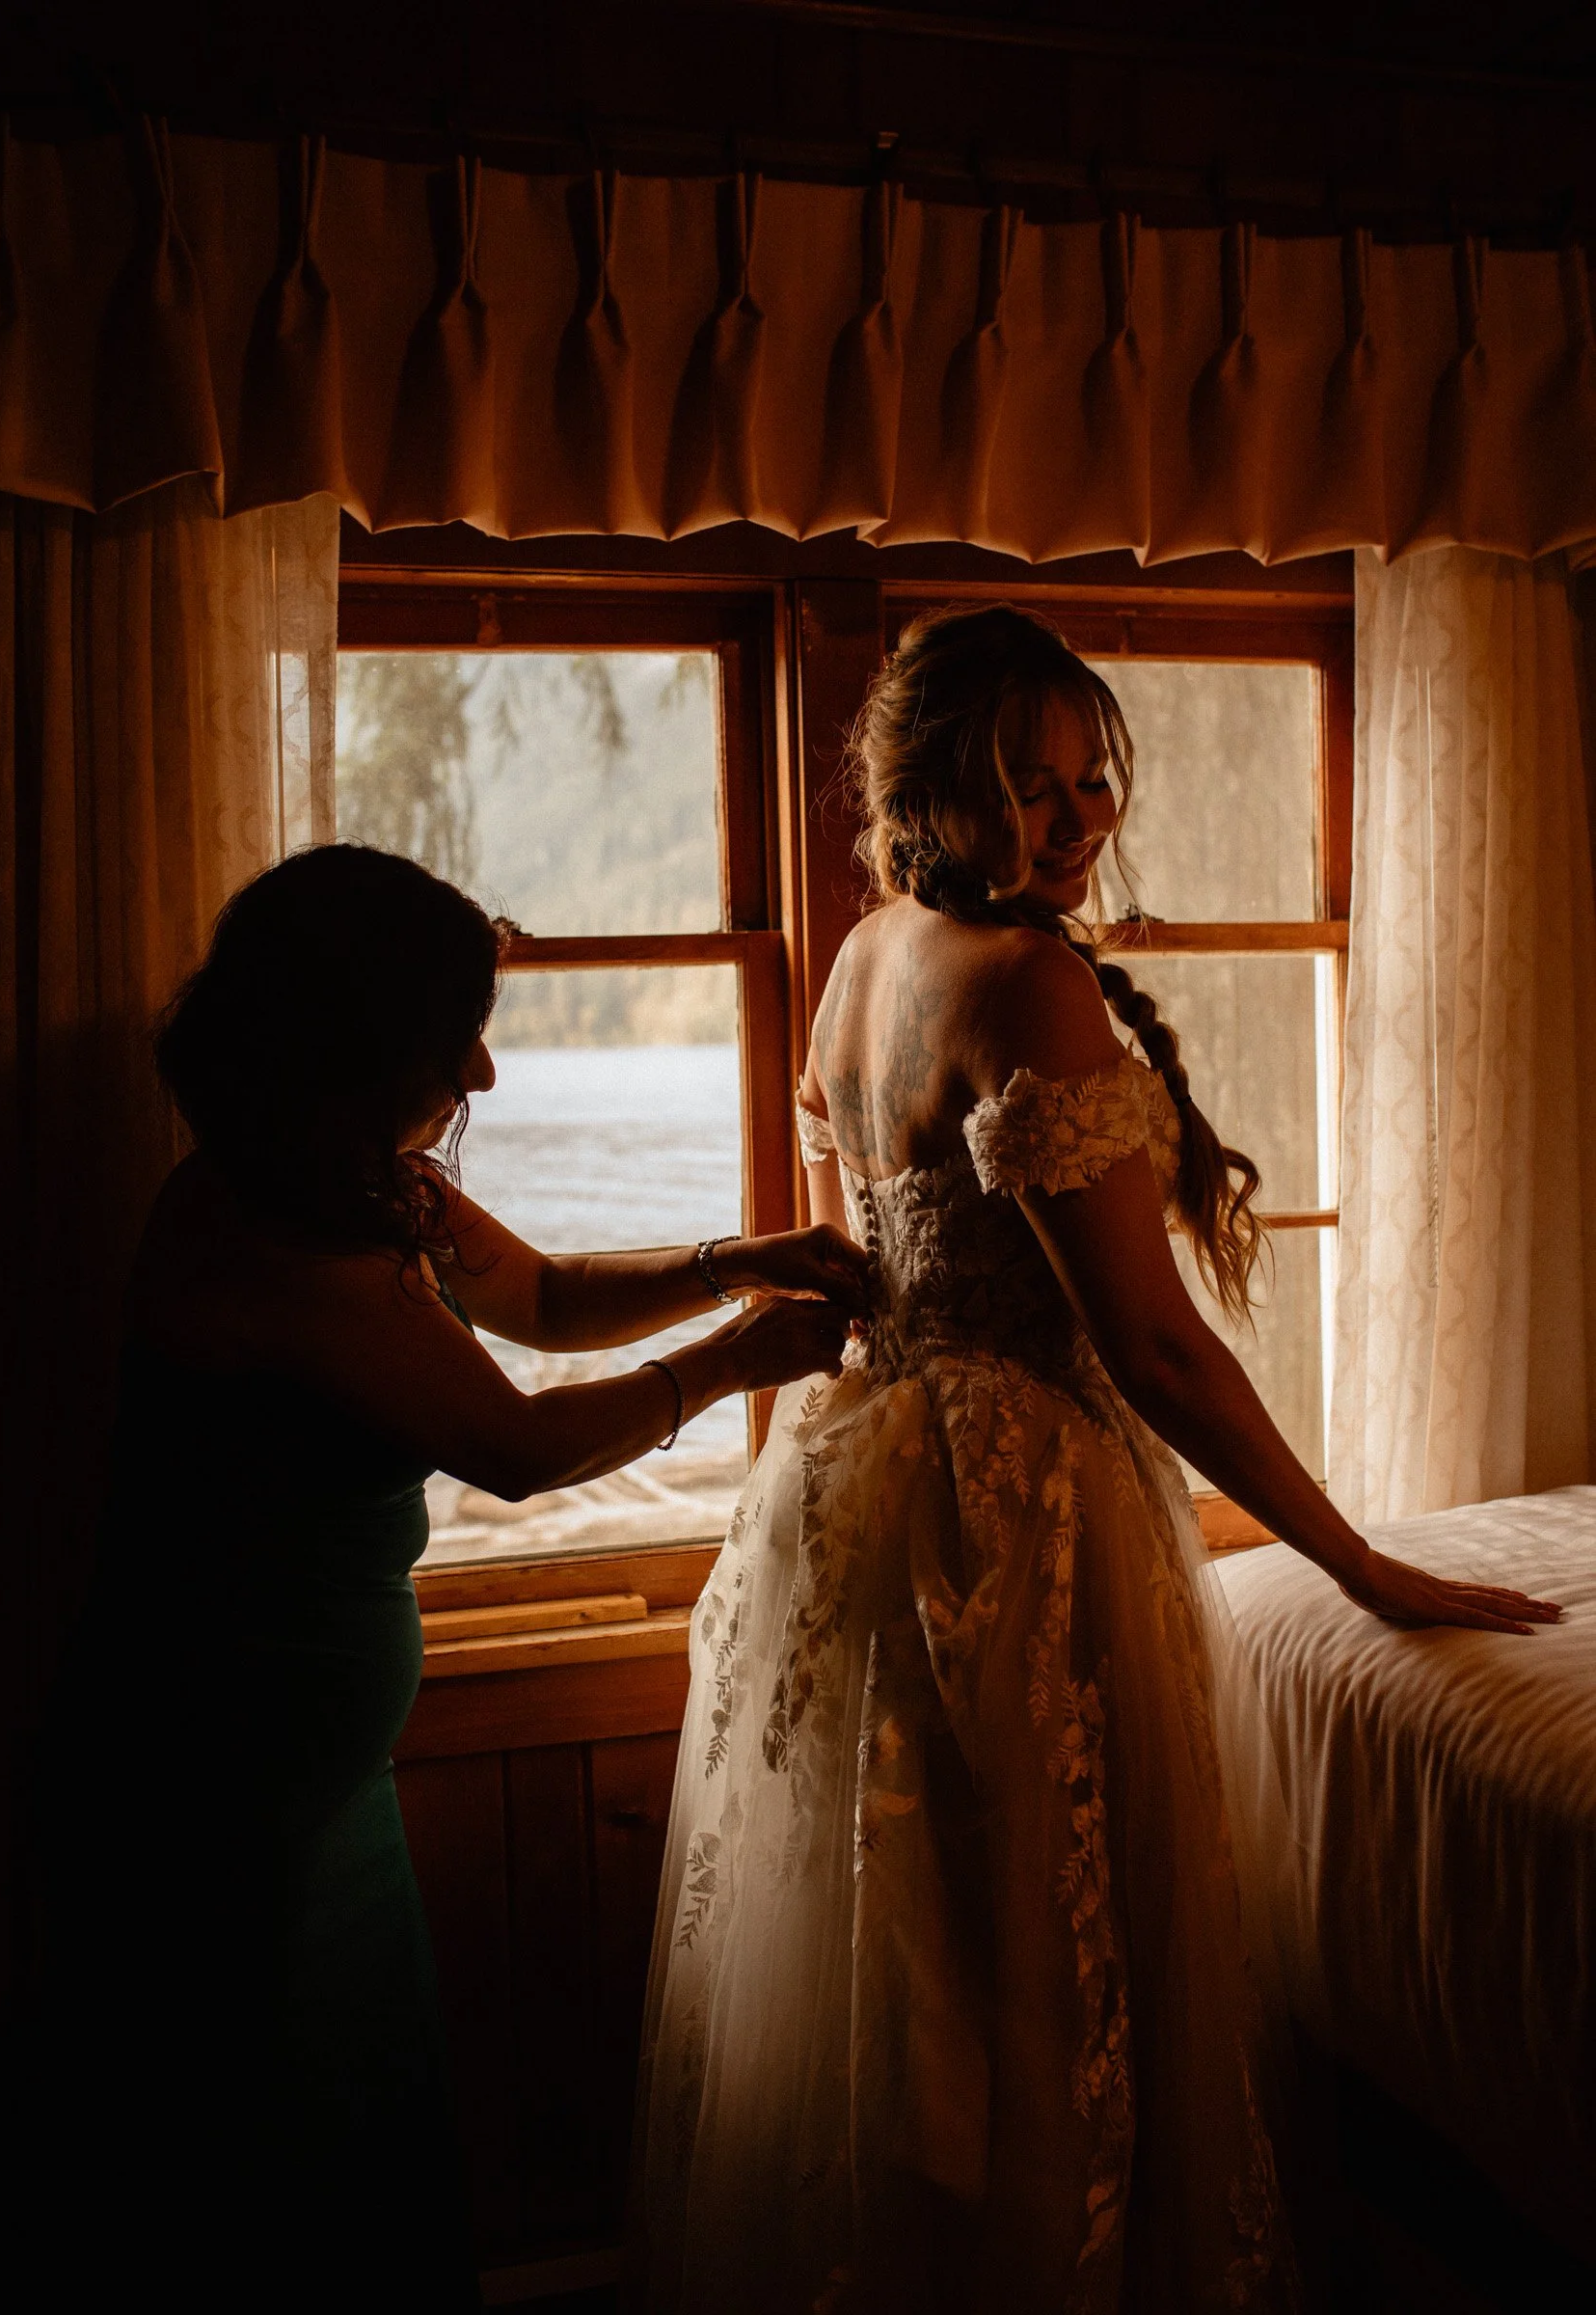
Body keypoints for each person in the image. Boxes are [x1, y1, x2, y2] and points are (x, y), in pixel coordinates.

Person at [631, 606, 1561, 2314]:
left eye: (1090, 785)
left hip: (864, 1479)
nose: (1076, 825)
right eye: (1027, 789)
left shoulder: (862, 956)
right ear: (927, 791)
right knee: (1050, 1971)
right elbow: (1153, 1346)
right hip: (1015, 1511)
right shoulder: (1025, 981)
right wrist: (1364, 1561)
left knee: (915, 1978)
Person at [31, 843, 866, 2314]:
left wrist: (744, 1257)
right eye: (449, 1036)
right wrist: (736, 1358)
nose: (484, 1067)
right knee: (266, 2191)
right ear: (345, 1050)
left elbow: (541, 1301)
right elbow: (518, 1448)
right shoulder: (258, 1243)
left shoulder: (366, 1189)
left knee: (363, 2151)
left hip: (317, 1800)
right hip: (212, 1799)